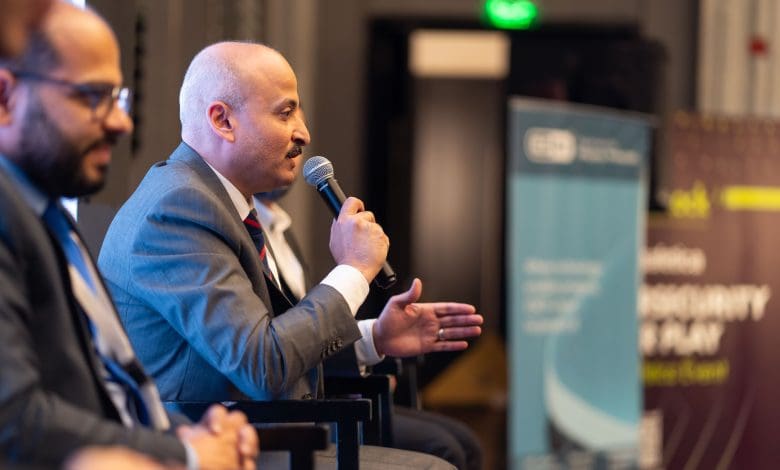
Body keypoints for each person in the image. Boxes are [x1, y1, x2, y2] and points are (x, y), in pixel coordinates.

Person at [98, 41, 483, 468]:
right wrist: (355, 269)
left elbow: (265, 344)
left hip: (259, 429)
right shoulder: (178, 210)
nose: (303, 133)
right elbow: (262, 365)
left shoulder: (212, 200)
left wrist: (373, 338)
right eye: (285, 113)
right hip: (204, 447)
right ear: (223, 120)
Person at [0, 3, 257, 469]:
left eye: (117, 97)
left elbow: (109, 393)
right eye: (91, 96)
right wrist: (186, 454)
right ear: (5, 98)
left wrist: (191, 434)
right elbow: (15, 421)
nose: (122, 122)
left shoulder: (48, 217)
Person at [255, 189, 484, 470]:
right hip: (282, 414)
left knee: (466, 443)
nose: (298, 162)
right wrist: (355, 268)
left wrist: (375, 338)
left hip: (317, 396)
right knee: (443, 449)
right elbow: (272, 352)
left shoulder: (281, 229)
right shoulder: (233, 227)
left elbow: (304, 338)